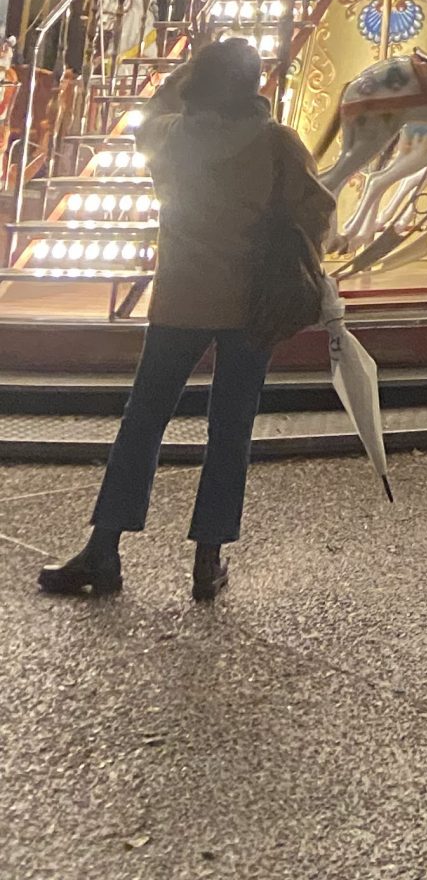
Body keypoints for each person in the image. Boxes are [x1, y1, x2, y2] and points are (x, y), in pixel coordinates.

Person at [38, 36, 333, 604]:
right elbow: (316, 211)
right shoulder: (277, 143)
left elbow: (148, 113)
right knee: (231, 428)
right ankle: (208, 558)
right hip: (251, 303)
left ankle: (104, 546)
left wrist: (185, 73)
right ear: (254, 84)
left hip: (180, 299)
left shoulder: (172, 138)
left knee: (143, 420)